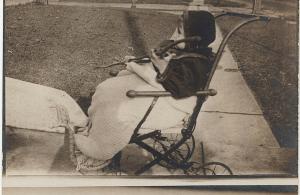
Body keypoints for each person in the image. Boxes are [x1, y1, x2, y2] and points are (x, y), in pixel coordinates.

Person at [68, 10, 216, 171]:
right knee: (109, 89)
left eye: (179, 32)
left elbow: (181, 87)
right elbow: (170, 70)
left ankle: (99, 147)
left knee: (115, 105)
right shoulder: (188, 53)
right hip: (163, 93)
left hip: (171, 105)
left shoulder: (197, 63)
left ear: (194, 39)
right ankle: (98, 130)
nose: (174, 35)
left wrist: (162, 66)